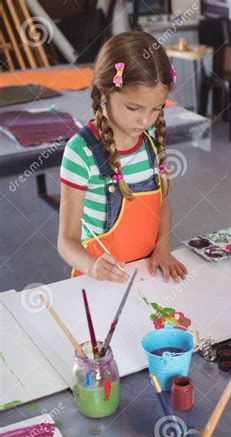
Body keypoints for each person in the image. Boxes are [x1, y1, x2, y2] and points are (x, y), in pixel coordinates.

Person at [58, 31, 187, 283]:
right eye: (133, 108)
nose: (145, 120)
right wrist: (92, 266)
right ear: (104, 93)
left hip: (145, 274)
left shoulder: (148, 139)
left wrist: (162, 249)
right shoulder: (81, 152)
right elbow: (66, 241)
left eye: (156, 109)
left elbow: (161, 203)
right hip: (98, 281)